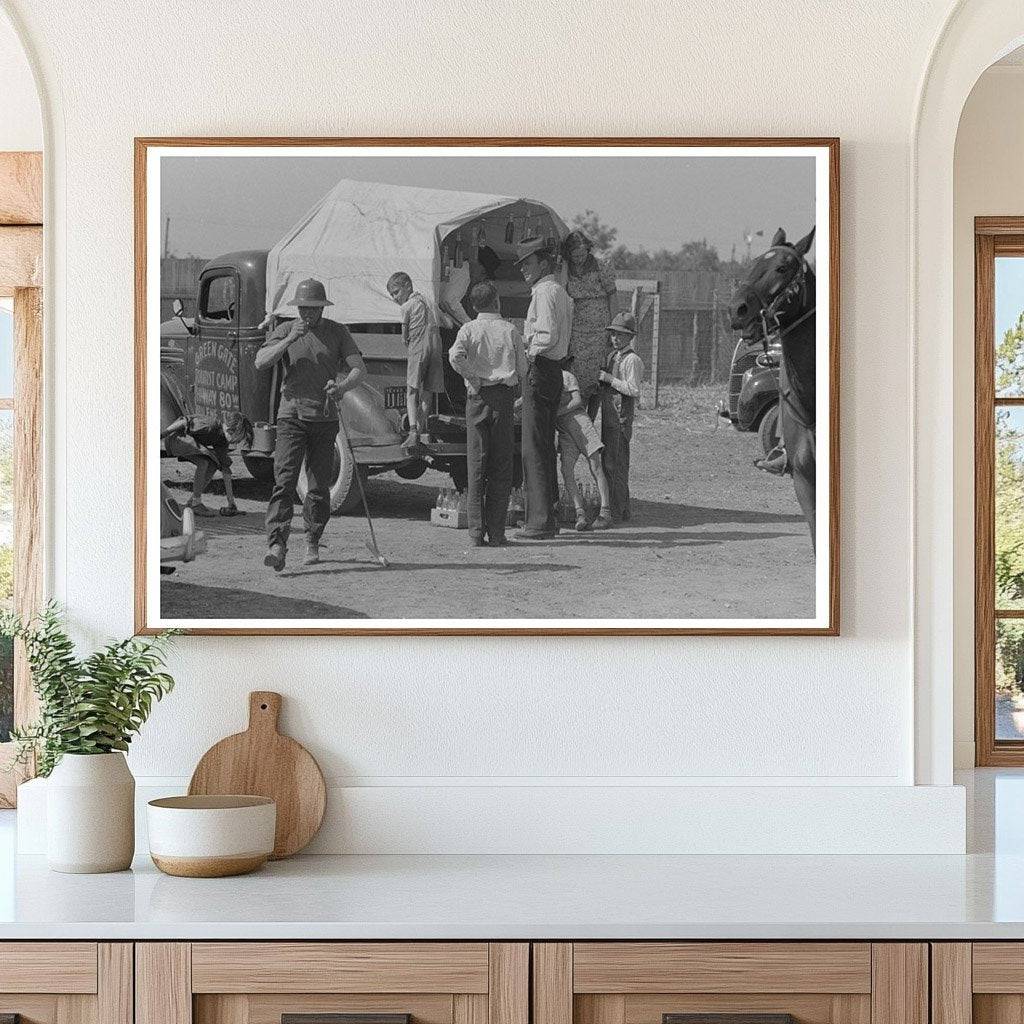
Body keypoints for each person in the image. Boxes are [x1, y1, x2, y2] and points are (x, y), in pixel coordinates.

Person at [255, 278, 367, 571]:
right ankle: (277, 545)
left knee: (318, 488)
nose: (308, 314)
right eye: (303, 308)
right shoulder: (284, 329)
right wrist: (290, 338)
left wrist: (342, 387)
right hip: (290, 415)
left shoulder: (337, 332)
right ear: (297, 307)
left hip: (325, 417)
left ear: (323, 308)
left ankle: (312, 540)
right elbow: (260, 361)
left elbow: (359, 368)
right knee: (284, 481)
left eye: (314, 308)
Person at [448, 281, 527, 547]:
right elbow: (524, 369)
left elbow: (454, 357)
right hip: (503, 399)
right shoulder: (511, 330)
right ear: (497, 301)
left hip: (476, 397)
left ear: (473, 305)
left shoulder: (468, 329)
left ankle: (474, 532)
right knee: (501, 466)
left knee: (476, 465)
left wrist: (473, 376)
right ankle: (497, 533)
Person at [515, 236, 572, 540]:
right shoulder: (560, 292)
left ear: (544, 264)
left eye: (529, 263)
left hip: (540, 368)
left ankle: (538, 521)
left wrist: (528, 352)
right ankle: (548, 516)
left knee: (533, 446)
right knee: (545, 445)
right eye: (522, 264)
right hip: (555, 370)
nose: (524, 269)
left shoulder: (544, 293)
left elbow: (546, 335)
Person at [386, 271, 445, 449]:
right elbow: (443, 321)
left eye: (396, 292)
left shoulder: (407, 306)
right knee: (428, 391)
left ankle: (412, 431)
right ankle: (420, 429)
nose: (395, 298)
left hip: (418, 347)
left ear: (407, 286)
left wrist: (406, 340)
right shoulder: (429, 300)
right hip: (436, 345)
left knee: (412, 391)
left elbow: (404, 336)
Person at [562, 230, 617, 419]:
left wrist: (613, 328)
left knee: (595, 376)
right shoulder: (564, 268)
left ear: (588, 250)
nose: (578, 259)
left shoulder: (601, 266)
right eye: (574, 255)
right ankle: (576, 417)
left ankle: (589, 420)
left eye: (582, 254)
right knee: (575, 373)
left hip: (599, 328)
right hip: (576, 327)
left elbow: (612, 295)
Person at [599, 311, 645, 523]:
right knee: (611, 461)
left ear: (630, 337)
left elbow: (633, 390)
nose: (615, 339)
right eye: (613, 334)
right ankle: (622, 508)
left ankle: (616, 510)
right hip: (609, 418)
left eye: (620, 335)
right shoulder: (612, 357)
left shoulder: (632, 360)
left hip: (620, 419)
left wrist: (609, 379)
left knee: (615, 464)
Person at [161, 411, 251, 517]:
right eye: (238, 437)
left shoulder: (222, 440)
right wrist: (162, 434)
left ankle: (192, 502)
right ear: (230, 429)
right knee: (204, 462)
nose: (238, 441)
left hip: (186, 442)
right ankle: (196, 503)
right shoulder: (211, 425)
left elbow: (225, 469)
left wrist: (231, 502)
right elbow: (184, 421)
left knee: (213, 464)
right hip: (175, 439)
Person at [557, 368, 612, 531]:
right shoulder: (546, 379)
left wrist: (555, 413)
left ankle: (605, 512)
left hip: (581, 425)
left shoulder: (567, 376)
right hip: (565, 431)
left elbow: (577, 401)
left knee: (595, 466)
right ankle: (579, 512)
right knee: (566, 470)